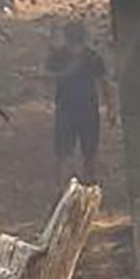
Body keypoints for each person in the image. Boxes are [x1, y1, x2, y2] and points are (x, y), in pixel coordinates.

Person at [46, 20, 111, 188]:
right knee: (67, 153)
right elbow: (47, 76)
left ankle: (84, 186)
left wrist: (111, 108)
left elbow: (104, 83)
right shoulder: (62, 57)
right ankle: (65, 189)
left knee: (86, 152)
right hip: (72, 110)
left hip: (83, 110)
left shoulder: (90, 57)